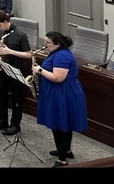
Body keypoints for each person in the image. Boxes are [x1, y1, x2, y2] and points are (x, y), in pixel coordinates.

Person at [32, 31, 88, 166]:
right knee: (64, 124)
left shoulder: (62, 56)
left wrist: (39, 70)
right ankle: (66, 150)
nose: (44, 45)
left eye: (47, 42)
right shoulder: (57, 52)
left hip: (62, 94)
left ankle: (62, 160)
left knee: (59, 125)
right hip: (59, 92)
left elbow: (58, 78)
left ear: (57, 43)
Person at [0, 10, 30, 136]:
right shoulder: (4, 34)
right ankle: (2, 120)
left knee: (17, 97)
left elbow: (28, 54)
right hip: (4, 68)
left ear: (6, 21)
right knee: (1, 94)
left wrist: (10, 52)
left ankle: (15, 124)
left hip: (16, 68)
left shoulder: (20, 35)